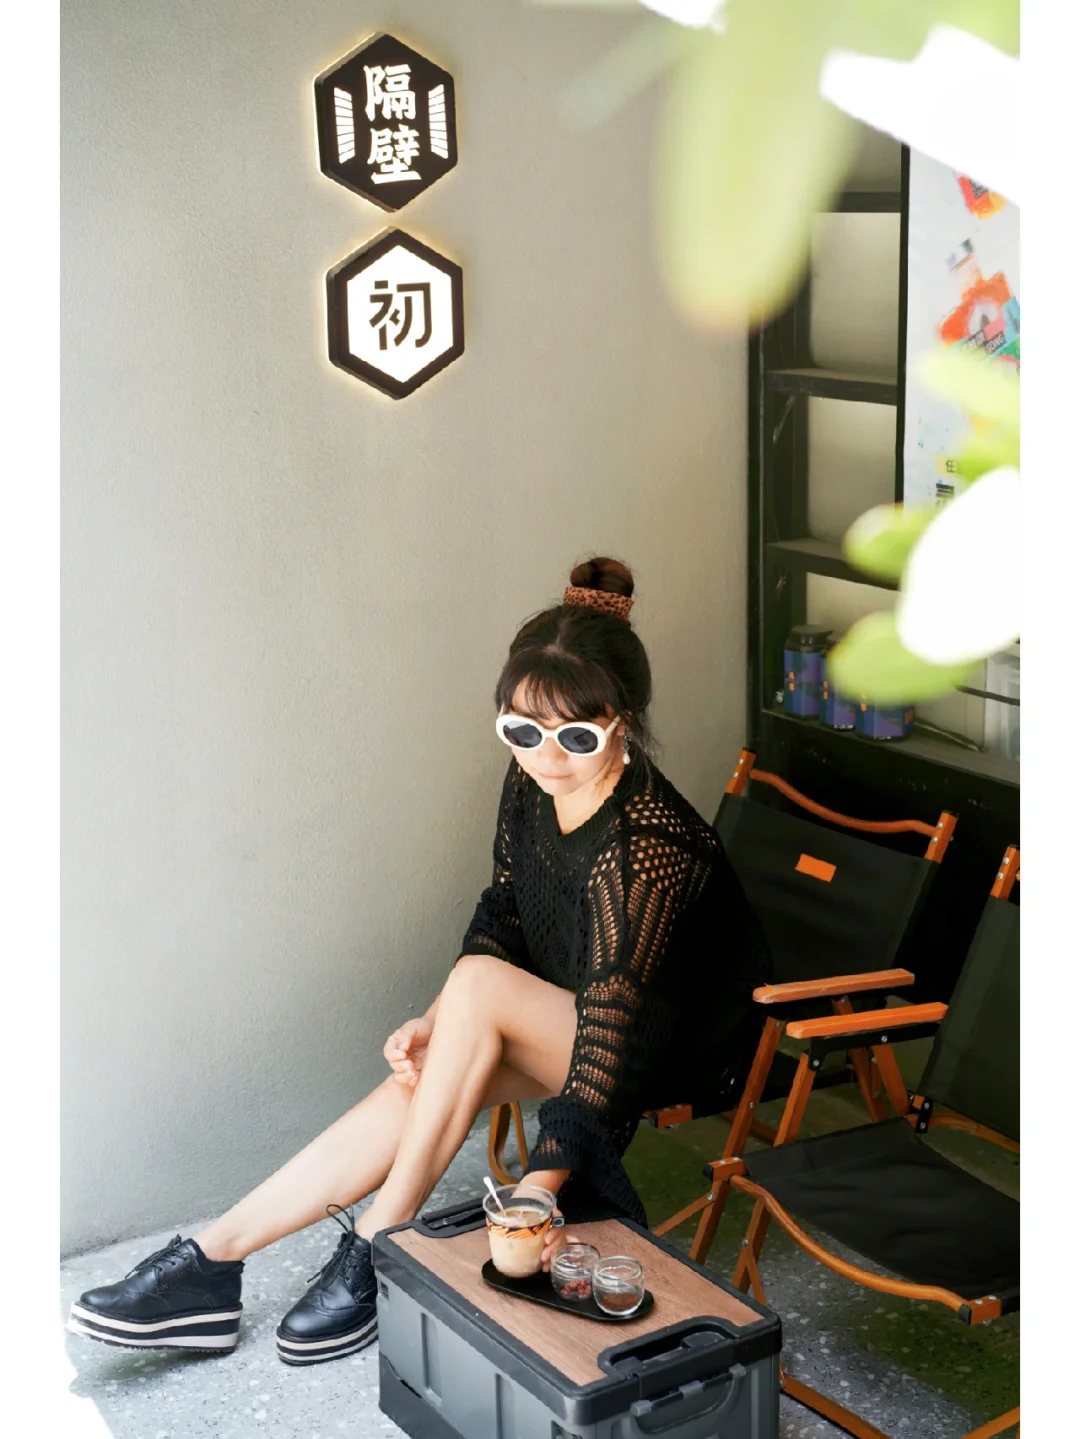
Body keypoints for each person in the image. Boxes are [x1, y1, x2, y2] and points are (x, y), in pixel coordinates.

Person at [67, 556, 771, 1367]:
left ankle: (378, 1241)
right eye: (522, 730)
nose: (546, 756)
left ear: (624, 722)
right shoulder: (534, 779)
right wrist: (440, 1020)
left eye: (576, 736)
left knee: (473, 994)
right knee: (425, 1068)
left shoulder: (646, 846)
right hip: (576, 1020)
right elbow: (506, 910)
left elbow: (619, 1031)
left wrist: (540, 1186)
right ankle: (212, 1260)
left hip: (672, 1046)